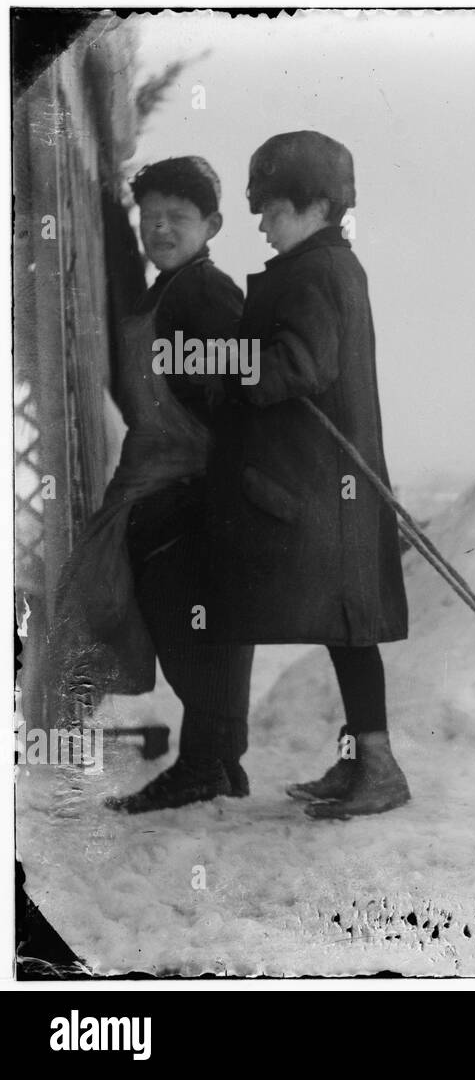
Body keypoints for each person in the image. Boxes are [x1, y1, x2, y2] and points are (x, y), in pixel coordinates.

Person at [202, 131, 410, 819]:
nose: (261, 221)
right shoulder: (327, 266)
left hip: (332, 486)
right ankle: (364, 764)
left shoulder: (318, 272)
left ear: (319, 204)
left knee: (349, 629)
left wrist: (232, 368)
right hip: (333, 483)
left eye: (273, 208)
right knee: (345, 630)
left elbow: (303, 365)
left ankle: (378, 770)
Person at [44, 156, 255, 813]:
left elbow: (238, 397)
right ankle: (217, 761)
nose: (161, 228)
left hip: (190, 484)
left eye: (178, 217)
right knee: (184, 625)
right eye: (150, 216)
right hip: (156, 477)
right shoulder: (164, 288)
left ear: (211, 224)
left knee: (195, 630)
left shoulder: (206, 293)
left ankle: (205, 765)